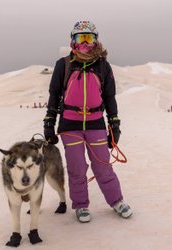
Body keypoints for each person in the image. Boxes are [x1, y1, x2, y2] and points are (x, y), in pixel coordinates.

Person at [43, 21, 132, 223]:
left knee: (102, 166)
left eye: (89, 38)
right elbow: (54, 94)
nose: (85, 42)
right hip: (69, 124)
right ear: (72, 40)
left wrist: (114, 124)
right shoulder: (63, 64)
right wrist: (49, 122)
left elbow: (109, 97)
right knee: (77, 168)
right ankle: (81, 205)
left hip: (95, 123)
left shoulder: (102, 65)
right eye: (80, 37)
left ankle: (116, 200)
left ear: (96, 41)